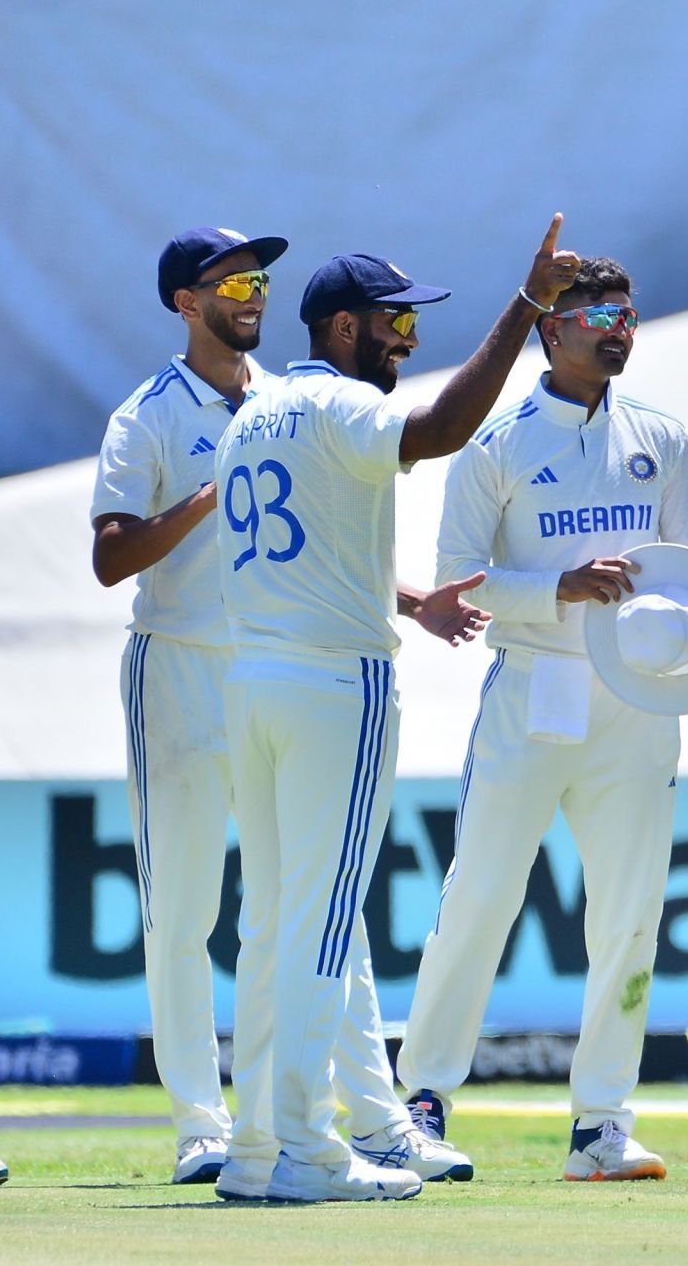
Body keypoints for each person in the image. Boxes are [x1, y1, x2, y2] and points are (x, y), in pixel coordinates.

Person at [90, 227, 473, 1192]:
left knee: (309, 904)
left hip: (271, 660)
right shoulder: (146, 414)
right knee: (184, 907)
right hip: (180, 663)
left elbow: (313, 547)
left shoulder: (284, 398)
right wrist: (202, 503)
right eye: (233, 280)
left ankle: (373, 1121)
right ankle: (203, 1126)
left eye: (261, 277)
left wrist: (409, 598)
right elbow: (108, 557)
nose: (253, 294)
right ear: (186, 302)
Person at [214, 217, 580, 1203]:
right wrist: (530, 303)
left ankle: (255, 1147)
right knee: (322, 922)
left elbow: (312, 552)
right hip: (334, 685)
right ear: (340, 328)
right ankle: (305, 1149)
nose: (407, 343)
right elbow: (444, 430)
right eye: (394, 326)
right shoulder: (336, 407)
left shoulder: (256, 412)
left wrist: (411, 598)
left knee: (275, 920)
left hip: (251, 680)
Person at [395, 256, 688, 1184]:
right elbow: (460, 582)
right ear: (551, 328)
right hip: (532, 687)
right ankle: (422, 1101)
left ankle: (602, 1125)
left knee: (630, 915)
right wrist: (559, 587)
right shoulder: (496, 445)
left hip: (637, 699)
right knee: (480, 898)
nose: (618, 326)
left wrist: (669, 636)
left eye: (628, 311)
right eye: (598, 312)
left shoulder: (664, 436)